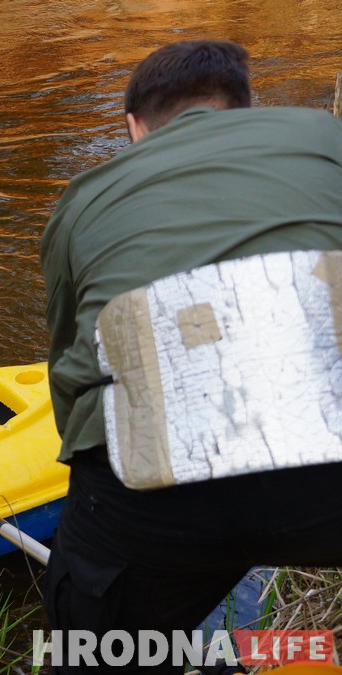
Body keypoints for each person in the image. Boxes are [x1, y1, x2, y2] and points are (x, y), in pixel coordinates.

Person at [41, 39, 342, 672]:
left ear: (134, 128)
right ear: (245, 109)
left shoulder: (85, 196)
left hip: (153, 499)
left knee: (88, 645)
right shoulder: (324, 138)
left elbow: (73, 365)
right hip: (330, 466)